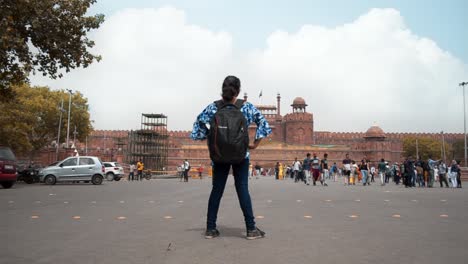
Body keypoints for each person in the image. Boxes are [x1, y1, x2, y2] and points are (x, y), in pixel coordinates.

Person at [190, 75, 271, 240]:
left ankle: (211, 229)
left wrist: (211, 139)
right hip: (241, 155)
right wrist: (255, 144)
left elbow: (198, 126)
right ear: (238, 90)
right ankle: (250, 229)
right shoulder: (246, 107)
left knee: (217, 190)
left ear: (222, 90)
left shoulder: (213, 108)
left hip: (219, 155)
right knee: (242, 189)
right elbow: (264, 124)